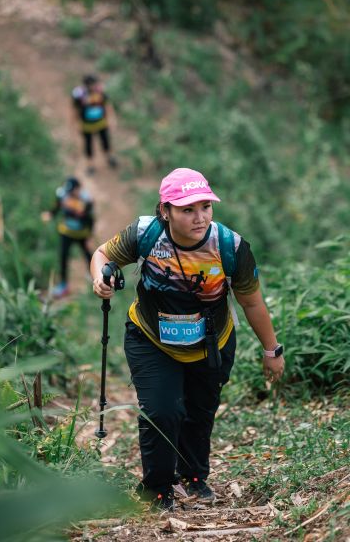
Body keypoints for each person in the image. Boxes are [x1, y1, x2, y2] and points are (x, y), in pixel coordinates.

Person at [90, 167, 284, 511]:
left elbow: (251, 301)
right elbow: (102, 255)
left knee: (199, 411)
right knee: (162, 411)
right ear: (166, 211)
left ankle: (193, 476)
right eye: (187, 209)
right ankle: (157, 487)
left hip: (212, 343)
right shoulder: (145, 234)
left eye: (205, 207)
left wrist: (272, 350)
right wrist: (100, 279)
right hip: (151, 339)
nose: (200, 217)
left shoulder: (230, 246)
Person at [42, 177, 94, 298]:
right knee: (63, 257)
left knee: (87, 254)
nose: (70, 193)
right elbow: (57, 206)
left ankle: (94, 276)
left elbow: (90, 219)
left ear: (78, 189)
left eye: (72, 191)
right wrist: (51, 214)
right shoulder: (63, 195)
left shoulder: (86, 201)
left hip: (81, 233)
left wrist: (89, 236)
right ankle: (63, 285)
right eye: (68, 191)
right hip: (66, 232)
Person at [71, 74, 117, 175]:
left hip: (101, 122)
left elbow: (107, 105)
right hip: (87, 125)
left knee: (105, 141)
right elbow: (75, 110)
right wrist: (75, 123)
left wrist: (111, 118)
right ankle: (90, 165)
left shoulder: (100, 92)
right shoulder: (80, 95)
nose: (94, 86)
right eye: (93, 84)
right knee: (88, 145)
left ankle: (109, 158)